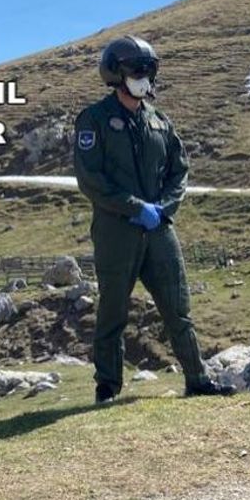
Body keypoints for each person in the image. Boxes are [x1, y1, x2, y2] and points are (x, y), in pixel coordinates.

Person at [73, 36, 235, 403]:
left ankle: (197, 379)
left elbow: (180, 169)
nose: (145, 78)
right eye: (137, 70)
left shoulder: (160, 121)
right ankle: (107, 388)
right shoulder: (94, 120)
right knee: (113, 310)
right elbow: (91, 180)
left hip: (159, 231)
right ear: (116, 74)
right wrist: (134, 207)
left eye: (149, 70)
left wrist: (165, 208)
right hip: (117, 232)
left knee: (178, 308)